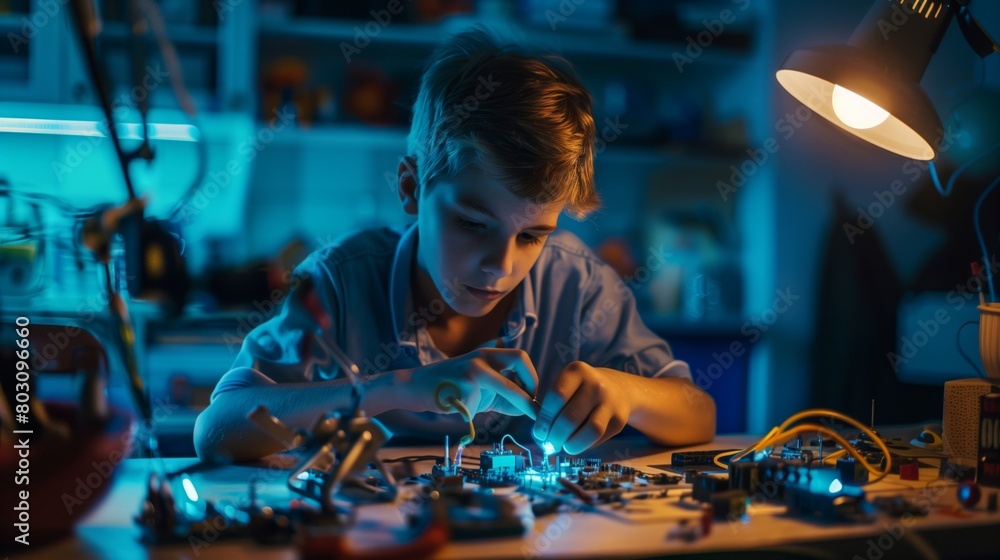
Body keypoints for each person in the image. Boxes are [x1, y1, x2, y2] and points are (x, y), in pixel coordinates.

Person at [194, 27, 716, 462]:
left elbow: (698, 412)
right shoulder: (339, 282)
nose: (500, 266)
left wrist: (627, 391)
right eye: (472, 224)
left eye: (533, 235)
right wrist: (391, 388)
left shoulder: (579, 285)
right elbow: (217, 428)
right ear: (410, 188)